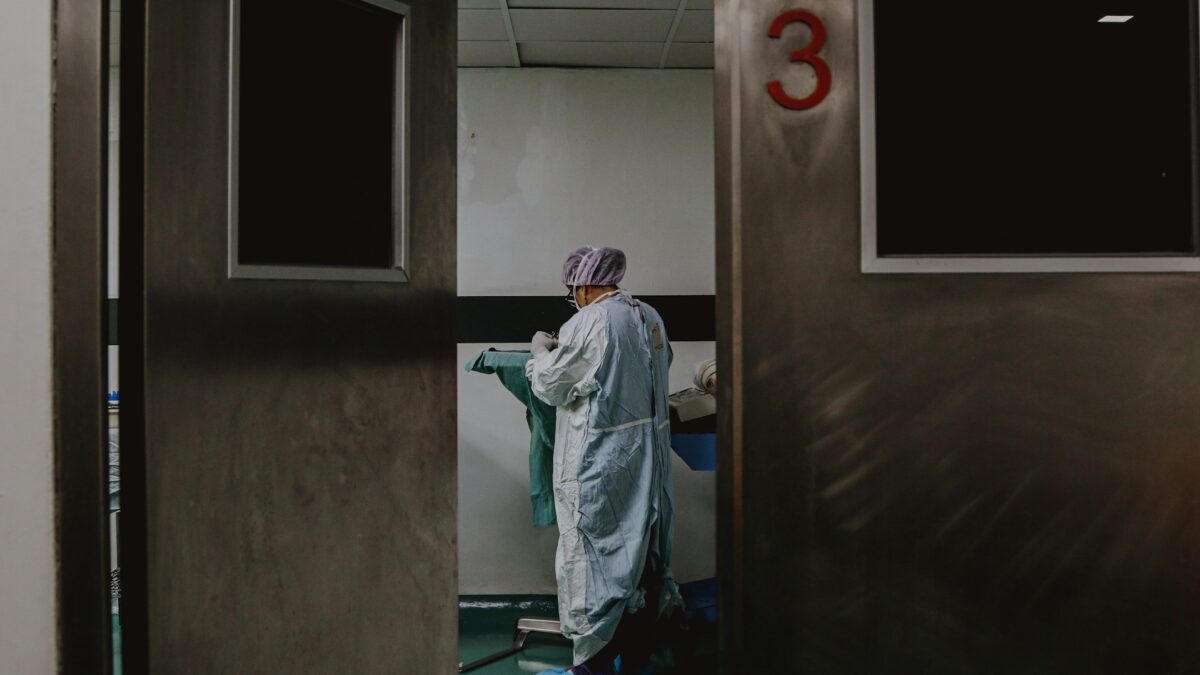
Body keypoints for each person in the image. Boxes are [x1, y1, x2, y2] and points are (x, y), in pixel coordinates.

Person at [527, 246, 681, 675]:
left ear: (584, 284)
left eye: (571, 288)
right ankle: (635, 657)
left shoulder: (589, 320)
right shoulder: (649, 316)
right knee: (642, 553)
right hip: (647, 461)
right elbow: (658, 363)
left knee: (594, 559)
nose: (571, 295)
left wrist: (541, 352)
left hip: (601, 464)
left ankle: (591, 665)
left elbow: (554, 384)